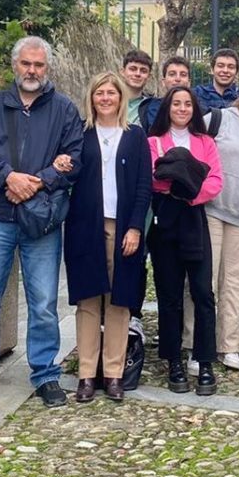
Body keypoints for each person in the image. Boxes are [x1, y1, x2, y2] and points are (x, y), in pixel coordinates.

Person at [0, 36, 84, 412]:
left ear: (48, 69)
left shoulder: (63, 110)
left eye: (39, 65)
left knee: (43, 302)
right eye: (26, 64)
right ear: (15, 65)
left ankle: (45, 374)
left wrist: (38, 181)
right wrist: (8, 177)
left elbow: (74, 158)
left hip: (41, 220)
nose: (32, 71)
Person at [63, 73, 151, 403]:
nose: (105, 99)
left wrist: (135, 228)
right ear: (92, 98)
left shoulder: (135, 136)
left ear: (120, 98)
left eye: (111, 93)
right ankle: (87, 373)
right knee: (87, 301)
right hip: (84, 225)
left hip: (123, 225)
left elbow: (144, 185)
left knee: (118, 301)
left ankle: (113, 373)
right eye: (99, 93)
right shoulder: (80, 135)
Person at [182, 77, 239, 372]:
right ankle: (196, 344)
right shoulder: (217, 119)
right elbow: (193, 151)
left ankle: (229, 344)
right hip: (210, 210)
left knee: (234, 284)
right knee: (202, 281)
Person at [147, 87, 224, 395]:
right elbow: (153, 179)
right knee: (169, 296)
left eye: (187, 104)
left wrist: (182, 182)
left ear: (194, 109)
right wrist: (188, 173)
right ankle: (173, 361)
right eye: (176, 103)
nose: (181, 108)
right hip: (164, 222)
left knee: (204, 292)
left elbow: (215, 181)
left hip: (194, 218)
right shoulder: (152, 142)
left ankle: (204, 361)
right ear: (168, 107)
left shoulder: (205, 142)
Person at [141, 55, 192, 128]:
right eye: (172, 74)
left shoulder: (197, 108)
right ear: (163, 82)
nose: (177, 79)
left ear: (189, 82)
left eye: (183, 75)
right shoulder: (152, 107)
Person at [121, 49, 155, 127]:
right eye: (133, 69)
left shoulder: (152, 107)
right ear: (122, 72)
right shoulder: (110, 101)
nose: (137, 74)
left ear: (149, 77)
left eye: (143, 71)